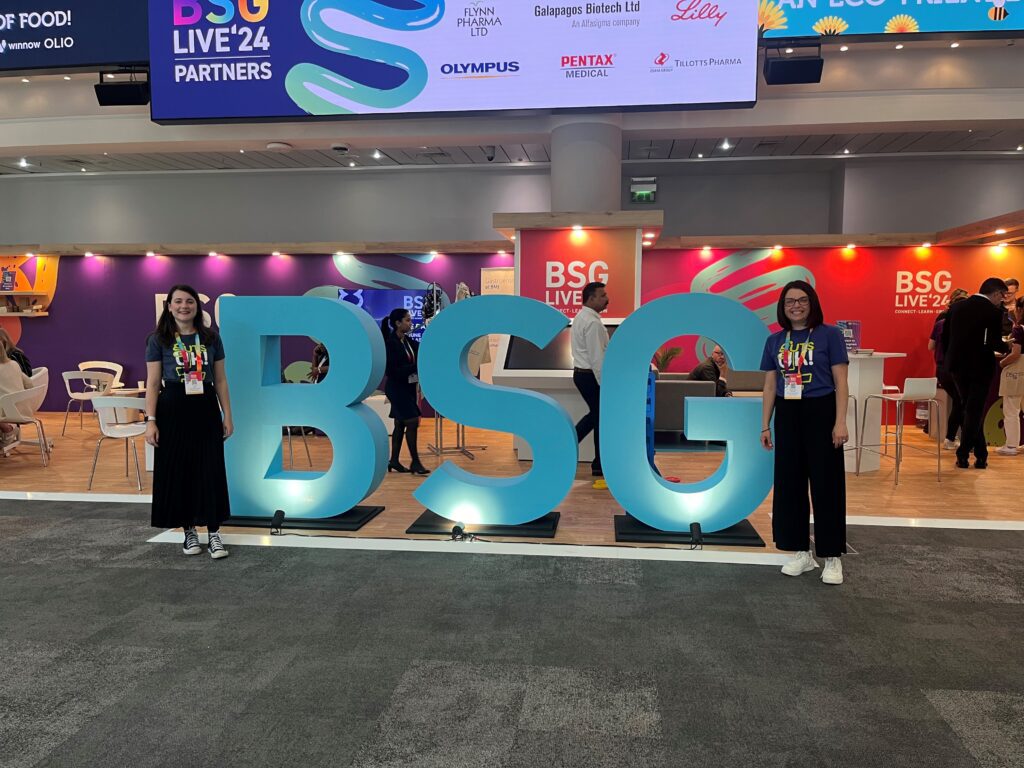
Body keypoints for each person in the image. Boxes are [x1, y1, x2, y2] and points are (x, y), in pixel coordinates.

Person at [759, 280, 849, 586]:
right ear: (782, 308)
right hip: (788, 412)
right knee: (789, 485)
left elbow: (841, 382)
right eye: (789, 302)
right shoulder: (774, 341)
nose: (795, 306)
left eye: (801, 300)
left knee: (827, 485)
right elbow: (770, 385)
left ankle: (832, 555)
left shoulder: (830, 335)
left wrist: (840, 422)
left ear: (812, 303)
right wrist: (765, 424)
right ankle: (800, 551)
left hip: (822, 411)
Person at [144, 284, 234, 559]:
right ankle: (189, 531)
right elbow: (152, 383)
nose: (184, 306)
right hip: (172, 408)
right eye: (178, 301)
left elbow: (220, 379)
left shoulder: (211, 338)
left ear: (197, 306)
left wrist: (227, 415)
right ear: (169, 306)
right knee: (180, 469)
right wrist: (151, 420)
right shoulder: (158, 340)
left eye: (190, 302)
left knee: (210, 467)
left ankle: (215, 533)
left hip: (204, 408)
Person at [941, 277, 1009, 469]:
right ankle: (963, 453)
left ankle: (981, 455)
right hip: (981, 368)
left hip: (957, 367)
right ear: (995, 293)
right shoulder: (993, 312)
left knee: (968, 409)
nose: (1002, 300)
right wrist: (1007, 346)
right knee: (973, 410)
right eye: (1002, 296)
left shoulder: (956, 308)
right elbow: (995, 343)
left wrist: (949, 361)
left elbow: (946, 339)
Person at [382, 308, 429, 475]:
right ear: (398, 323)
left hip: (407, 388)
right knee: (412, 421)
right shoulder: (390, 344)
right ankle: (415, 462)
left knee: (400, 423)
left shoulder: (408, 342)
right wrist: (415, 367)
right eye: (408, 320)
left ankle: (394, 460)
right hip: (396, 388)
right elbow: (393, 371)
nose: (411, 323)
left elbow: (424, 350)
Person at [571, 282, 609, 477]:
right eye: (602, 295)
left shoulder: (581, 317)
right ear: (591, 298)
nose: (606, 299)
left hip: (583, 375)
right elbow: (597, 358)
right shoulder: (592, 322)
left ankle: (599, 464)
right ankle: (568, 447)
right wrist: (605, 383)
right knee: (598, 416)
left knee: (598, 417)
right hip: (590, 376)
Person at [928, 289, 968, 450]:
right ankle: (953, 438)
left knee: (960, 403)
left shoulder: (940, 323)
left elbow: (930, 346)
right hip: (957, 370)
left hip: (941, 370)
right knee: (962, 403)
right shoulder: (964, 326)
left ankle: (954, 439)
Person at [997, 297, 1024, 456]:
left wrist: (1002, 363)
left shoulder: (1019, 329)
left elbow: (1015, 353)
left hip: (1017, 371)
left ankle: (1012, 445)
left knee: (1011, 409)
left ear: (1020, 309)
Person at [0, 341, 33, 446]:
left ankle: (7, 429)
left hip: (6, 411)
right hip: (23, 409)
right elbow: (30, 384)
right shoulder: (14, 364)